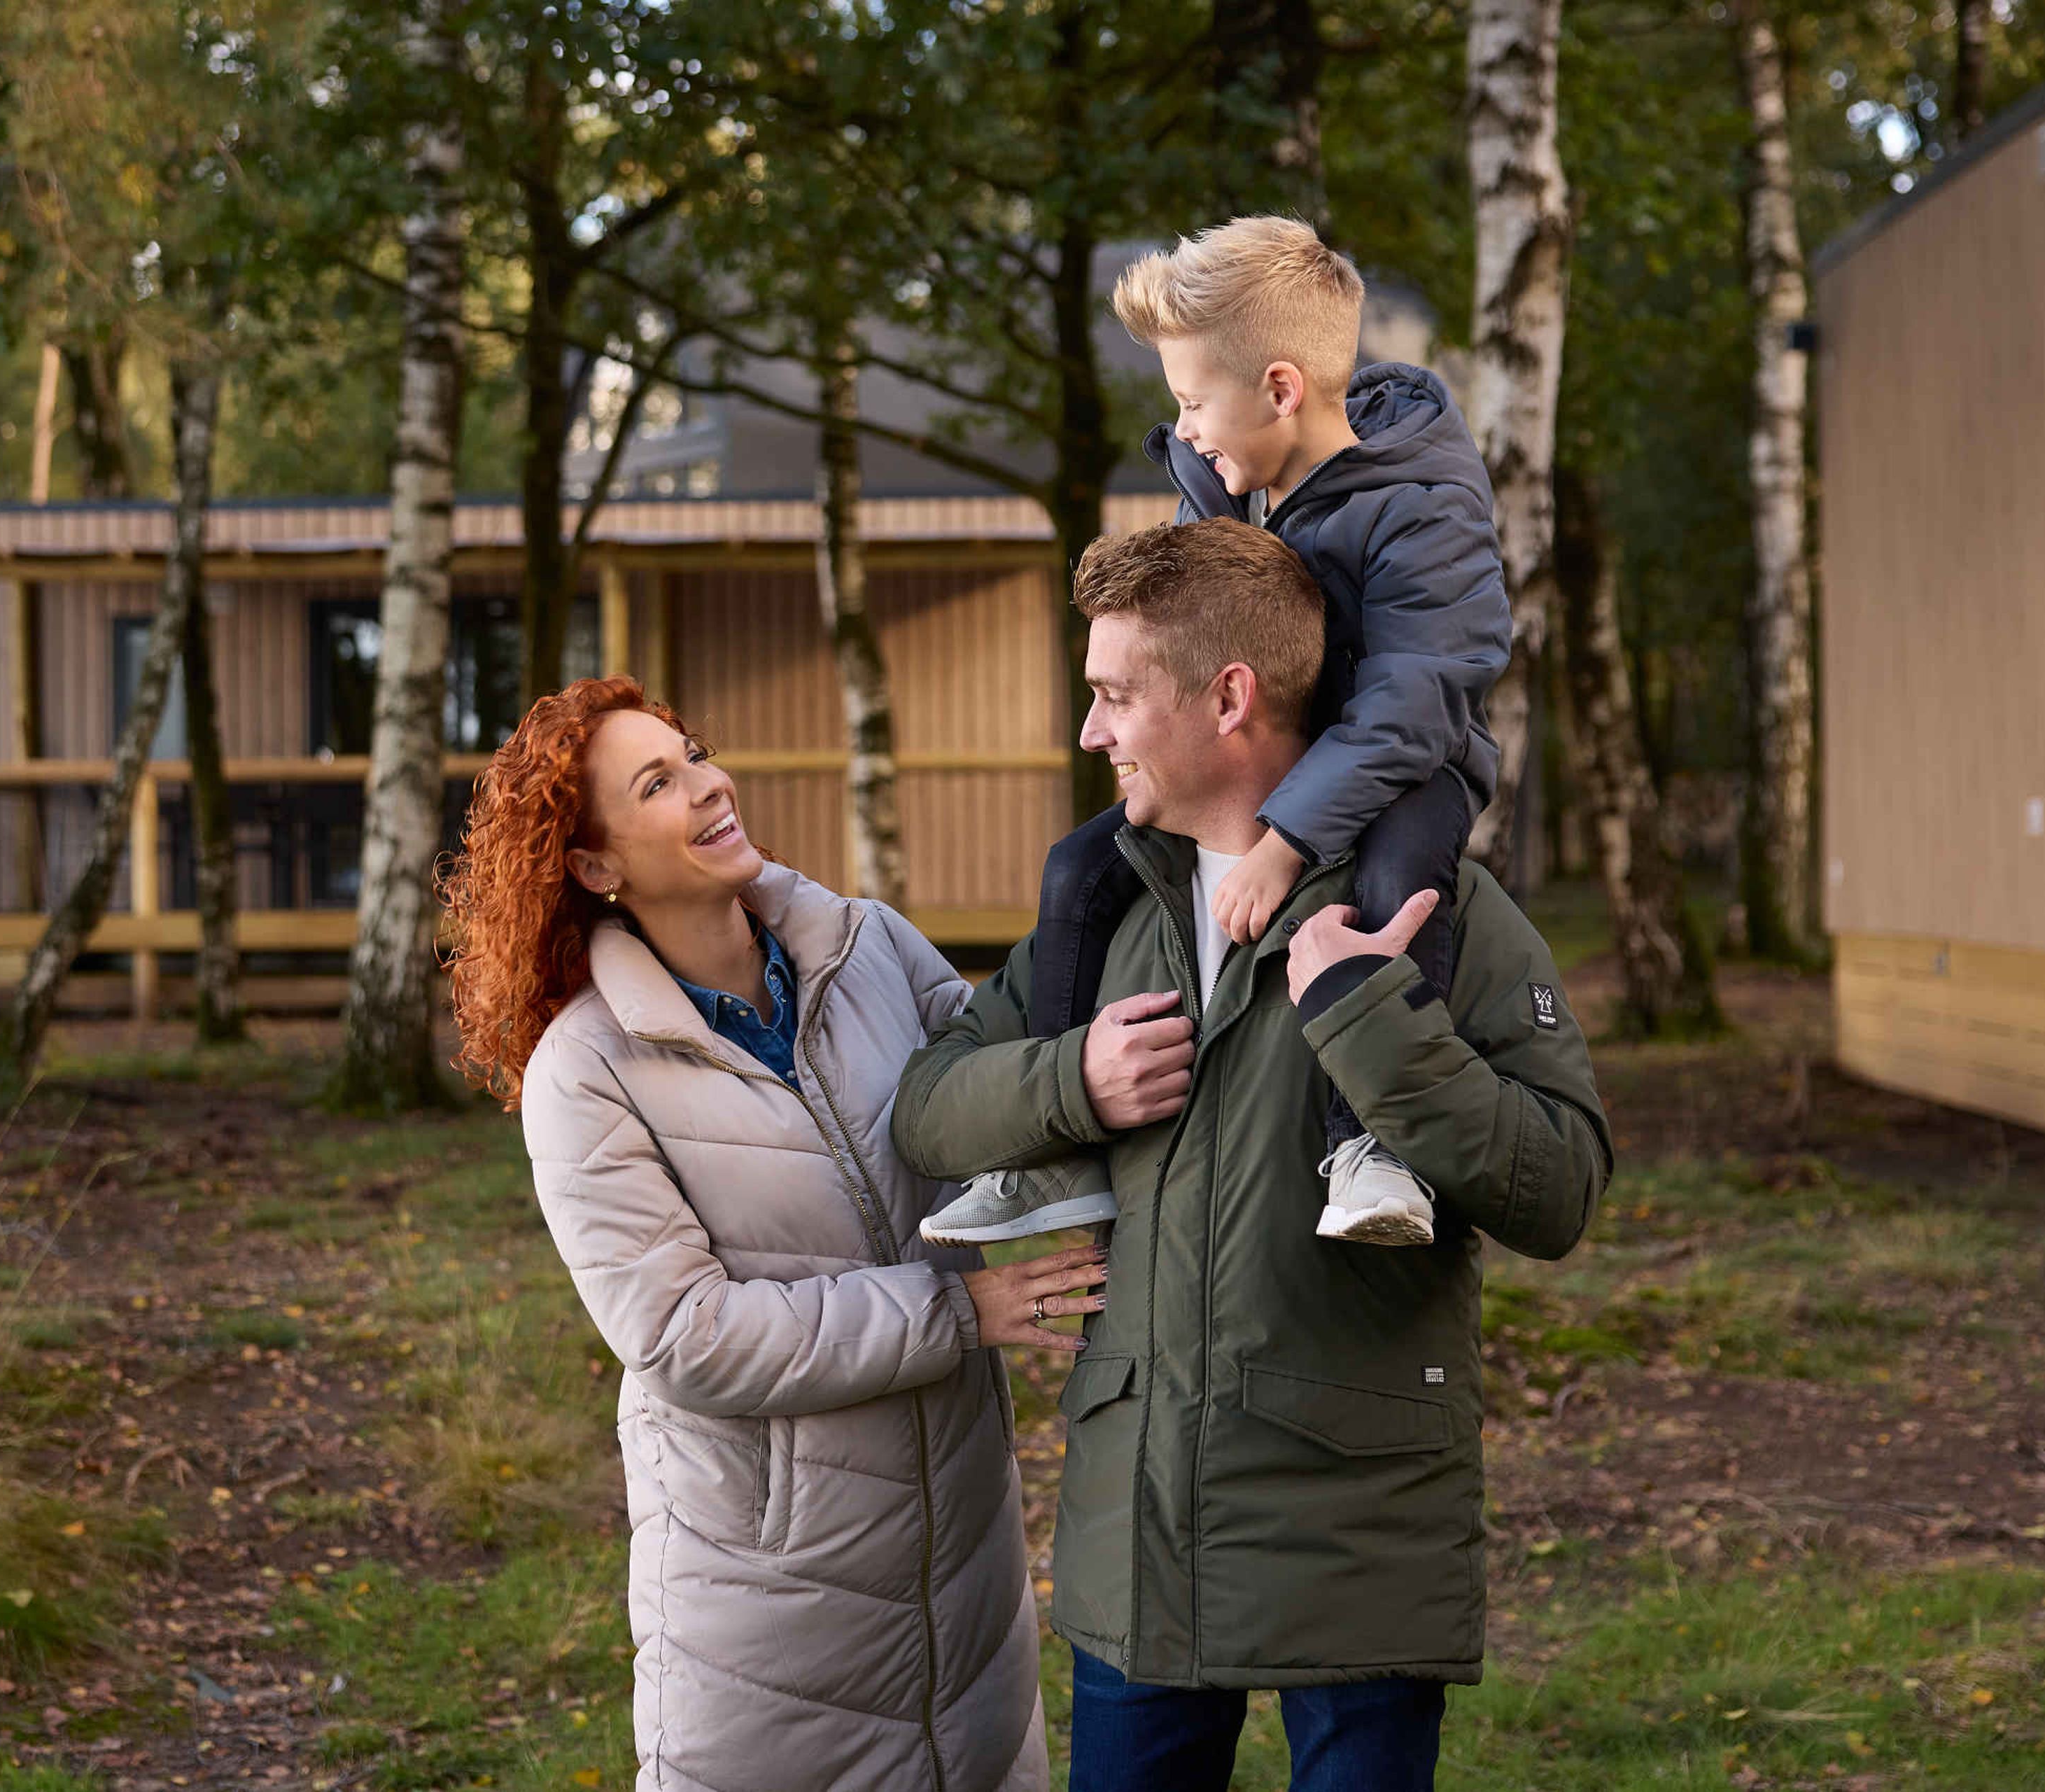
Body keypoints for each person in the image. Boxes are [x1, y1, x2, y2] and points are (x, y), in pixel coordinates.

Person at [893, 521, 1610, 1792]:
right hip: (1139, 1544)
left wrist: (1369, 1019)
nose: (1090, 733)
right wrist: (1076, 1081)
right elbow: (930, 1111)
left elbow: (1560, 1187)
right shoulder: (1103, 905)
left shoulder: (1438, 910)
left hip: (1359, 1544)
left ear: (1228, 698)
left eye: (1115, 694)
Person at [444, 676, 1094, 1792]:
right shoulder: (588, 1071)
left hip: (967, 1572)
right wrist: (960, 1308)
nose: (709, 787)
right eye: (660, 784)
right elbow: (684, 1334)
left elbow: (1001, 1102)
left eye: (696, 754)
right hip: (769, 1614)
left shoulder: (869, 948)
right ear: (596, 868)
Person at [917, 216, 1511, 1253]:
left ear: (1281, 390)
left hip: (1412, 764)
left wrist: (1284, 844)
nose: (1184, 429)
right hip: (1287, 764)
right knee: (1076, 870)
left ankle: (1373, 1145)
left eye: (1193, 403)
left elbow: (1416, 705)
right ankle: (1058, 1152)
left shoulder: (1424, 509)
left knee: (1401, 888)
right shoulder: (1249, 487)